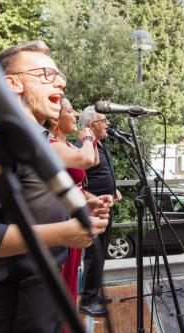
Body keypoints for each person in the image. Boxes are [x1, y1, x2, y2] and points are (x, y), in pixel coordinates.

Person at [0, 41, 109, 332]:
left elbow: (25, 201)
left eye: (59, 76)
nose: (60, 81)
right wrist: (64, 233)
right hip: (9, 304)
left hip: (40, 292)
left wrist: (78, 205)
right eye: (46, 74)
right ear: (12, 84)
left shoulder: (36, 140)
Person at [45, 97, 100, 308]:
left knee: (71, 279)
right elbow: (86, 160)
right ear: (56, 119)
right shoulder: (51, 144)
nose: (76, 114)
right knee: (62, 279)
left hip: (75, 213)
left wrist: (92, 199)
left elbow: (92, 162)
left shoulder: (66, 145)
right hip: (61, 218)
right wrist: (86, 138)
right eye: (71, 110)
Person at [77, 105, 122, 317]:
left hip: (105, 205)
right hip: (94, 209)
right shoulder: (83, 146)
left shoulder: (99, 144)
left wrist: (114, 189)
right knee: (93, 254)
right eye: (103, 121)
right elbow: (78, 181)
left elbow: (101, 173)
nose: (107, 124)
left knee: (101, 252)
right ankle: (87, 300)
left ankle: (93, 293)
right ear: (92, 124)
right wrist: (94, 200)